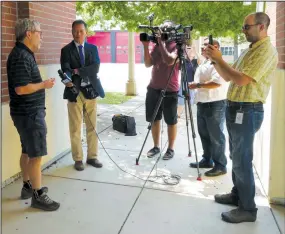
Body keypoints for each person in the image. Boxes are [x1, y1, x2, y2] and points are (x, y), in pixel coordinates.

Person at [205, 12, 278, 223]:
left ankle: (248, 208)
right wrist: (216, 60)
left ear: (262, 27)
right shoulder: (250, 51)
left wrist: (219, 59)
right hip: (237, 109)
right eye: (243, 27)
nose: (243, 31)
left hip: (247, 111)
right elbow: (229, 76)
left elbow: (242, 80)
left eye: (247, 27)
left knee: (242, 159)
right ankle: (238, 195)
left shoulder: (266, 51)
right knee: (236, 156)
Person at [7, 18, 60, 211]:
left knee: (27, 151)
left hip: (24, 114)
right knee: (36, 155)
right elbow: (21, 89)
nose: (41, 36)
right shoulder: (21, 56)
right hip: (29, 115)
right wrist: (44, 85)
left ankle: (27, 186)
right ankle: (38, 196)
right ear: (28, 33)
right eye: (39, 32)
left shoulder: (23, 53)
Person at [60, 20, 103, 171]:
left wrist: (77, 71)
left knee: (92, 126)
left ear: (86, 32)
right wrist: (69, 76)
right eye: (75, 31)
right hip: (74, 92)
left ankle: (92, 157)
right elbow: (66, 69)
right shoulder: (66, 50)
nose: (78, 34)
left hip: (90, 91)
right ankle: (77, 159)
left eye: (81, 31)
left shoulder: (92, 48)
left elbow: (95, 68)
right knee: (75, 128)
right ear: (72, 32)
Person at [189, 38, 228, 177]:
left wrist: (198, 85)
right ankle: (207, 160)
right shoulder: (206, 62)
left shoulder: (218, 63)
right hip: (203, 103)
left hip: (215, 104)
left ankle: (220, 165)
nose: (202, 47)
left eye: (205, 45)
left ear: (215, 47)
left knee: (216, 137)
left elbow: (217, 83)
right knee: (204, 134)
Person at [142, 20, 179, 160]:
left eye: (165, 30)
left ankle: (170, 149)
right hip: (153, 88)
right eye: (162, 30)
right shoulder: (157, 46)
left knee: (171, 121)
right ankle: (156, 146)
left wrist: (161, 44)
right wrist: (146, 47)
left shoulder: (177, 46)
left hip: (170, 90)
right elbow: (148, 64)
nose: (163, 33)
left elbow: (170, 61)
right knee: (154, 119)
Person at [177, 45, 200, 118]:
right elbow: (178, 63)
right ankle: (178, 114)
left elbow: (201, 60)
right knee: (180, 99)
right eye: (188, 49)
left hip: (192, 83)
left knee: (190, 101)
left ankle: (189, 116)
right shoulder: (184, 60)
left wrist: (195, 50)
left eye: (190, 50)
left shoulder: (195, 61)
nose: (190, 51)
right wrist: (184, 51)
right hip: (183, 83)